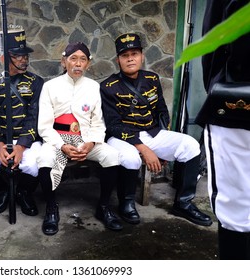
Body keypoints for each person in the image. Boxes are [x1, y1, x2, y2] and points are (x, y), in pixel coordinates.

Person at [100, 32, 212, 227]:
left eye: (134, 54)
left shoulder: (152, 78)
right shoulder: (108, 86)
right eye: (125, 55)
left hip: (151, 132)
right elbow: (113, 125)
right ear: (118, 60)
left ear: (142, 56)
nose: (130, 59)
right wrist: (145, 149)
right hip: (121, 137)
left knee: (190, 145)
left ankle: (184, 203)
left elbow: (161, 112)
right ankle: (126, 203)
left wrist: (163, 149)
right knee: (131, 157)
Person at [37, 42, 138, 235]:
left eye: (83, 59)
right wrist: (63, 145)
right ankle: (51, 208)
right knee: (44, 159)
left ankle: (104, 207)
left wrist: (90, 143)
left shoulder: (93, 87)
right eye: (73, 58)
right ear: (63, 61)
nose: (77, 63)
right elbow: (44, 126)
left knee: (112, 156)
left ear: (88, 64)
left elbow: (98, 122)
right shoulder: (50, 87)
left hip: (85, 140)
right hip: (57, 140)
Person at [197, 0, 250, 259]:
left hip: (237, 96)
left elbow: (216, 37)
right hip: (237, 103)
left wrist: (220, 85)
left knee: (236, 210)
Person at [0, 28, 43, 217]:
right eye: (17, 55)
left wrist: (21, 147)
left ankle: (24, 192)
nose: (23, 59)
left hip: (27, 140)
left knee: (35, 165)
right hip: (1, 140)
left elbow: (34, 117)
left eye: (24, 55)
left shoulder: (37, 82)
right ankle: (2, 191)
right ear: (4, 58)